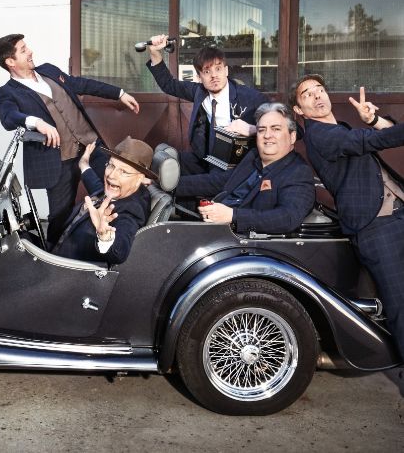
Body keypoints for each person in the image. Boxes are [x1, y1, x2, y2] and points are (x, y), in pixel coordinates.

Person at [290, 74, 404, 361]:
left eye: (320, 89)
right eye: (307, 94)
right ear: (299, 110)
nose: (317, 95)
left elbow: (383, 133)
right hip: (377, 226)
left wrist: (373, 119)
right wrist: (373, 129)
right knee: (401, 305)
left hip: (396, 211)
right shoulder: (321, 136)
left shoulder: (338, 127)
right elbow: (376, 140)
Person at [0, 33, 140, 246]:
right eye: (23, 50)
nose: (30, 51)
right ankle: (55, 256)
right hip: (57, 162)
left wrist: (120, 93)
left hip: (91, 145)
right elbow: (8, 117)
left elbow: (82, 84)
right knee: (59, 218)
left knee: (117, 192)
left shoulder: (49, 71)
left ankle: (122, 241)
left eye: (27, 47)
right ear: (10, 61)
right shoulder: (7, 92)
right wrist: (35, 122)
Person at [146, 35, 266, 199]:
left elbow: (289, 127)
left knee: (173, 183)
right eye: (207, 71)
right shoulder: (199, 92)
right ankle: (149, 186)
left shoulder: (250, 97)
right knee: (161, 160)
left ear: (226, 71)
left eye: (218, 69)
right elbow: (169, 84)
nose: (214, 76)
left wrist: (253, 129)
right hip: (207, 158)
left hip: (236, 167)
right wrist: (154, 52)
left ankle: (157, 186)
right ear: (199, 77)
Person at [198, 102, 315, 234]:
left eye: (276, 129)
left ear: (292, 137)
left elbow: (287, 218)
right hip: (212, 224)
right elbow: (220, 181)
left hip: (238, 239)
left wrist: (233, 215)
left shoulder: (298, 172)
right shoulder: (253, 157)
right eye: (261, 130)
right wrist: (177, 183)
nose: (267, 135)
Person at [52, 137, 155, 264]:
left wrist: (105, 236)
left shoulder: (132, 210)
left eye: (123, 171)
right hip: (58, 249)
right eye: (111, 165)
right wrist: (84, 164)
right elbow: (96, 187)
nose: (111, 175)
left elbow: (120, 252)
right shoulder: (120, 192)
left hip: (66, 268)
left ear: (140, 179)